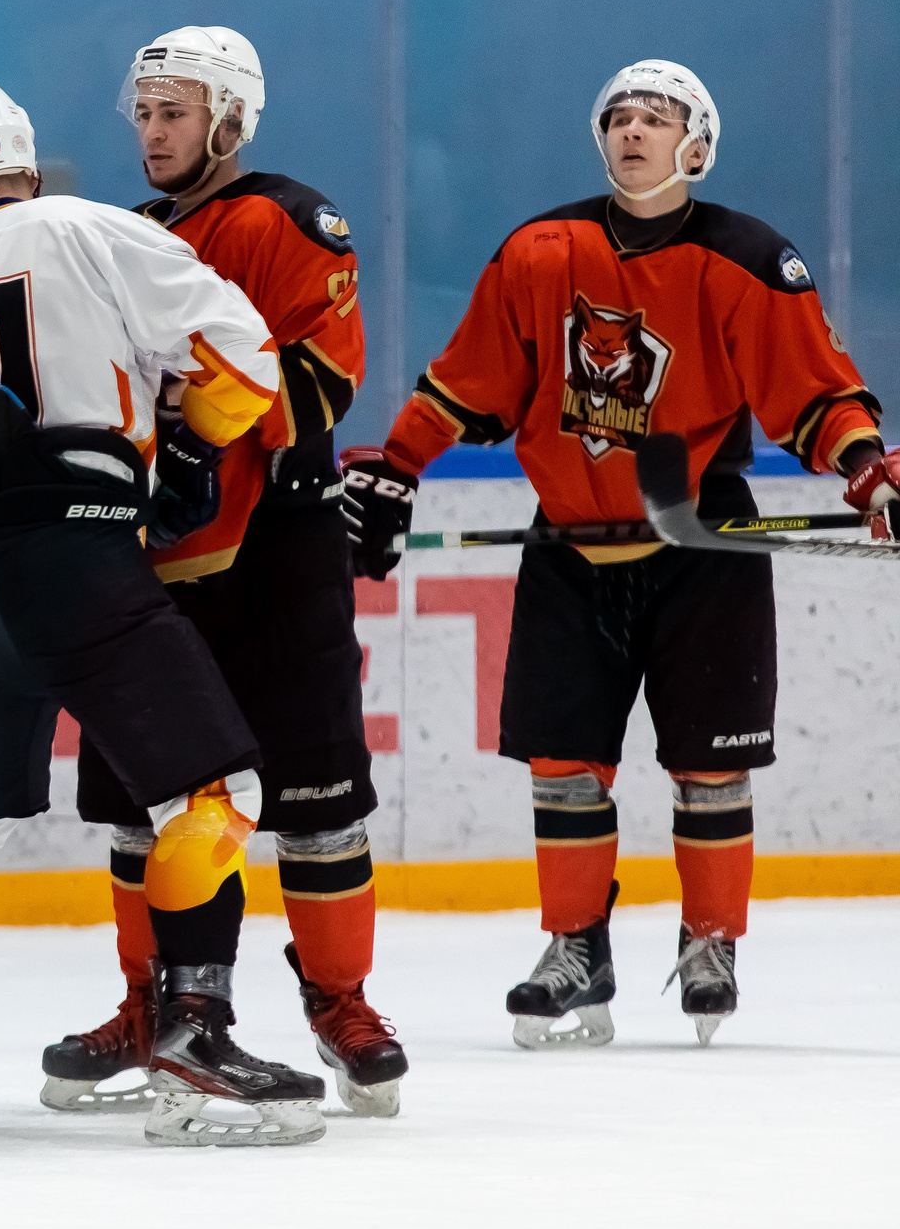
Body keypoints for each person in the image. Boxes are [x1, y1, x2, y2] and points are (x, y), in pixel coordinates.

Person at [343, 60, 898, 1048]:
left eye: (656, 118)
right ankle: (574, 948)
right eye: (618, 117)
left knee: (711, 765)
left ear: (698, 146)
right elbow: (468, 379)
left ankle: (710, 941)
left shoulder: (746, 259)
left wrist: (867, 469)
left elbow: (814, 390)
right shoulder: (539, 251)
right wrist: (396, 465)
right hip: (571, 542)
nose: (632, 130)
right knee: (562, 764)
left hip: (701, 544)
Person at [0, 79, 328, 1147]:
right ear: (24, 158)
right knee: (214, 794)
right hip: (79, 554)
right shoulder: (89, 228)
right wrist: (188, 446)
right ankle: (193, 1039)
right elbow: (240, 356)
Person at [45, 28, 407, 1118]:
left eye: (176, 113)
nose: (153, 133)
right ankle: (149, 1004)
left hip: (278, 550)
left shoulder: (284, 219)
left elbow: (322, 376)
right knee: (145, 802)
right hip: (151, 559)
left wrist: (193, 428)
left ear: (230, 121)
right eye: (145, 113)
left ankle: (340, 1001)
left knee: (315, 793)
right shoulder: (126, 237)